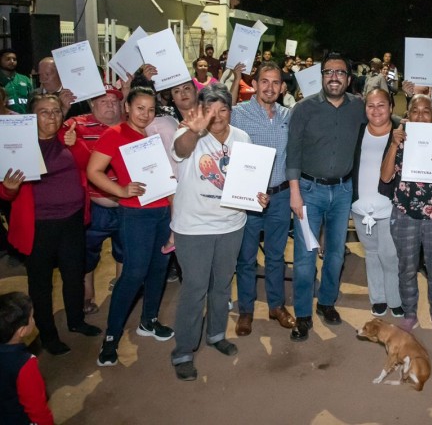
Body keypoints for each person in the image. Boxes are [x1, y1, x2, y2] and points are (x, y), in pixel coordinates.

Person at [169, 84, 268, 381]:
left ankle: (215, 335)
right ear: (200, 111)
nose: (217, 116)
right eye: (210, 110)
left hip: (231, 225)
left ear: (230, 110)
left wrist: (259, 197)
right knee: (195, 288)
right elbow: (180, 150)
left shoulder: (243, 138)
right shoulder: (187, 132)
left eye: (223, 109)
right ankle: (184, 351)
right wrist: (194, 130)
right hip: (194, 227)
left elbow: (250, 181)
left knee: (223, 286)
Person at [1, 93, 101, 355]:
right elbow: (5, 190)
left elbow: (88, 164)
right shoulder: (17, 145)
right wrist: (9, 190)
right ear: (31, 117)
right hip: (39, 226)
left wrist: (75, 143)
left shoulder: (67, 137)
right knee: (41, 283)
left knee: (73, 274)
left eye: (56, 111)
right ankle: (48, 335)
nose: (52, 117)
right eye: (44, 112)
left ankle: (76, 321)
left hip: (72, 220)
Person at [88, 87, 174, 367]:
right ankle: (111, 337)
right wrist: (121, 191)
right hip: (135, 215)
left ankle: (148, 321)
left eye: (150, 109)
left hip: (163, 211)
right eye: (140, 108)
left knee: (159, 268)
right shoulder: (114, 134)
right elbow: (93, 171)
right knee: (133, 274)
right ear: (127, 107)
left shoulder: (152, 135)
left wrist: (174, 214)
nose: (145, 114)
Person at [286, 52, 365, 341]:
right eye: (329, 72)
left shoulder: (359, 107)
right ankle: (303, 313)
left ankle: (327, 302)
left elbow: (385, 117)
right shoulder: (303, 109)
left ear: (348, 78)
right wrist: (295, 192)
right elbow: (292, 152)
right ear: (321, 76)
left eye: (340, 72)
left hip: (343, 192)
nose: (334, 77)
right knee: (305, 256)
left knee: (335, 254)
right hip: (308, 191)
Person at [380, 94, 432, 336]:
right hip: (404, 212)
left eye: (426, 111)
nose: (421, 116)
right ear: (408, 114)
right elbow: (385, 177)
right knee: (407, 267)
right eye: (415, 110)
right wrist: (393, 144)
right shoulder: (399, 139)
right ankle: (410, 313)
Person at [232, 62, 297, 336]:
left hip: (280, 195)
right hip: (248, 196)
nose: (270, 87)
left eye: (275, 82)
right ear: (255, 84)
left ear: (282, 87)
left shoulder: (289, 115)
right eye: (264, 82)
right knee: (245, 257)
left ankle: (276, 305)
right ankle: (246, 310)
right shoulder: (237, 114)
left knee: (276, 255)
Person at [63, 85, 125, 315]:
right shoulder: (77, 125)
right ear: (91, 104)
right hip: (94, 206)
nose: (110, 104)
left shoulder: (129, 126)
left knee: (124, 250)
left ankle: (121, 291)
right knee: (87, 253)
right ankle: (87, 292)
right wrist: (62, 107)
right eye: (103, 100)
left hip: (125, 204)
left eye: (114, 101)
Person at [351, 88, 403, 317]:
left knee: (390, 255)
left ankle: (395, 298)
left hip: (389, 208)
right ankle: (378, 298)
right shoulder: (357, 131)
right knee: (371, 253)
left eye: (381, 105)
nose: (376, 110)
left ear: (391, 107)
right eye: (370, 106)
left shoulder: (401, 133)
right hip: (361, 208)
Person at [0, 292, 54, 425]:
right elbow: (37, 409)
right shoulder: (25, 364)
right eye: (31, 318)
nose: (33, 321)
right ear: (22, 331)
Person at [0, 48, 33, 114]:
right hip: (4, 120)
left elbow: (32, 100)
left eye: (14, 59)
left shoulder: (25, 79)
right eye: (8, 59)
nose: (12, 61)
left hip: (26, 119)